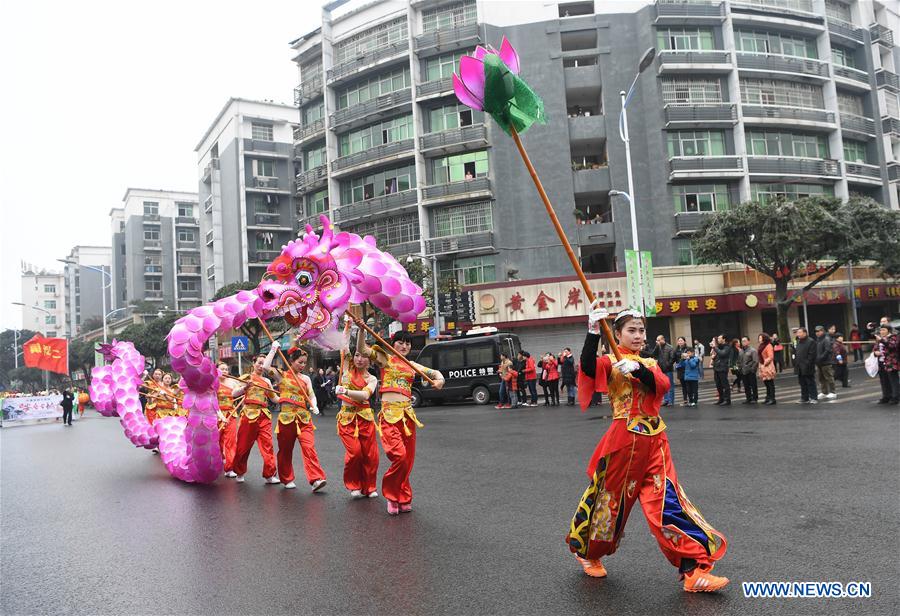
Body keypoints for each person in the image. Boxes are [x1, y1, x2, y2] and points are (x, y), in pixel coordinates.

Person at [567, 304, 729, 592]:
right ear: (616, 334)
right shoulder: (609, 362)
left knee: (668, 502)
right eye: (631, 330)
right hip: (622, 445)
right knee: (609, 505)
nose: (639, 335)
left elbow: (663, 384)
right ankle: (588, 553)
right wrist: (592, 332)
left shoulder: (650, 364)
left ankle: (692, 571)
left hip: (655, 442)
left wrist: (639, 369)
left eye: (641, 330)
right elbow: (589, 369)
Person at [361, 331, 445, 515]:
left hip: (408, 416)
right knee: (398, 456)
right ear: (393, 343)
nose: (405, 346)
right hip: (390, 415)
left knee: (408, 459)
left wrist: (440, 380)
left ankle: (404, 496)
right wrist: (361, 330)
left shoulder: (411, 364)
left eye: (408, 343)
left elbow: (435, 373)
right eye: (401, 342)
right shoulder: (386, 360)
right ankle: (392, 496)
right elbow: (363, 350)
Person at [265, 346, 326, 492]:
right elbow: (267, 367)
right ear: (291, 361)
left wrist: (314, 405)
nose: (303, 365)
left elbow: (311, 395)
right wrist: (273, 349)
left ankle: (316, 478)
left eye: (305, 363)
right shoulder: (282, 376)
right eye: (300, 362)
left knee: (309, 447)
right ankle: (286, 478)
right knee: (285, 450)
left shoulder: (305, 379)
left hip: (304, 418)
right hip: (287, 418)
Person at [335, 334, 380, 499]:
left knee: (370, 455)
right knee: (355, 453)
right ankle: (354, 485)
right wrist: (349, 326)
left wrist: (345, 391)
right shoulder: (346, 368)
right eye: (357, 355)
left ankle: (369, 486)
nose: (360, 359)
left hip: (365, 419)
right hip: (347, 419)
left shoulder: (372, 379)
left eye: (364, 356)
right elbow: (344, 345)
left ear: (371, 360)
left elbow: (364, 396)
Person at [231, 354, 279, 484]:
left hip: (264, 415)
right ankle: (239, 472)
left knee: (268, 445)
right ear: (253, 363)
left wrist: (288, 399)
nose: (261, 366)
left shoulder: (267, 381)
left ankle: (270, 474)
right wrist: (245, 387)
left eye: (263, 363)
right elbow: (233, 394)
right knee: (243, 446)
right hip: (248, 415)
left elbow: (274, 398)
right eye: (259, 362)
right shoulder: (246, 378)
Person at [216, 362, 240, 478]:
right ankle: (220, 460)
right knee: (217, 442)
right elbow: (213, 403)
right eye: (222, 369)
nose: (225, 371)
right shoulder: (212, 384)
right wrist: (221, 417)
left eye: (226, 369)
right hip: (217, 415)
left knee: (231, 442)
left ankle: (229, 468)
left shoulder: (232, 382)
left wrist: (245, 388)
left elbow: (236, 393)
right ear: (216, 371)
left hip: (231, 414)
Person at [873, 325, 899, 405]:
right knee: (884, 381)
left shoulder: (893, 337)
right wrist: (875, 352)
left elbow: (892, 346)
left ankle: (895, 397)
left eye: (884, 330)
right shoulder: (879, 339)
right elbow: (875, 348)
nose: (882, 332)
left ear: (888, 331)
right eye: (881, 330)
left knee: (893, 381)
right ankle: (886, 396)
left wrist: (882, 340)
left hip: (891, 362)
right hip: (881, 362)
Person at [793, 328, 818, 404]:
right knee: (802, 383)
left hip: (808, 366)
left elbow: (812, 355)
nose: (798, 334)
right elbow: (796, 352)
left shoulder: (811, 341)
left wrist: (807, 363)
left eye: (800, 332)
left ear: (805, 333)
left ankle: (813, 397)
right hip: (799, 366)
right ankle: (804, 398)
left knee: (810, 382)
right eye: (797, 333)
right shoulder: (798, 341)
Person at [813, 325, 836, 401]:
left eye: (819, 331)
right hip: (819, 362)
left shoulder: (826, 339)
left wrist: (820, 357)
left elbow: (828, 350)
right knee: (821, 378)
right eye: (816, 331)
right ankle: (824, 392)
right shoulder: (818, 340)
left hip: (826, 362)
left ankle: (833, 392)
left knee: (829, 377)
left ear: (822, 331)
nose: (817, 333)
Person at [652, 335, 676, 407]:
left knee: (670, 385)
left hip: (668, 369)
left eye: (659, 340)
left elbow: (672, 358)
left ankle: (671, 401)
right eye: (657, 340)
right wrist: (656, 346)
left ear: (663, 339)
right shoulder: (658, 347)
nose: (657, 342)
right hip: (661, 369)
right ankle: (666, 400)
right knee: (664, 385)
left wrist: (668, 365)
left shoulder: (670, 347)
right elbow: (653, 354)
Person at [710, 335, 733, 406]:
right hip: (717, 367)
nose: (718, 339)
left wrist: (714, 347)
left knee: (725, 385)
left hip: (723, 368)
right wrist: (713, 357)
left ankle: (727, 400)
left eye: (720, 338)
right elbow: (717, 355)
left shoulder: (727, 347)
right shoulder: (719, 347)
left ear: (724, 339)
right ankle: (721, 399)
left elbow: (722, 354)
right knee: (718, 385)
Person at [738, 336, 759, 404]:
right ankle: (748, 398)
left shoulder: (753, 350)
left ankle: (755, 398)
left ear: (748, 341)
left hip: (750, 371)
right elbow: (739, 361)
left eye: (744, 341)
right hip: (743, 371)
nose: (743, 342)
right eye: (742, 341)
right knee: (746, 385)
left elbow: (755, 361)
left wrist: (752, 369)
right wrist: (739, 368)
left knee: (753, 385)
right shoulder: (741, 351)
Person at [757, 334, 776, 405]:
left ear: (764, 338)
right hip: (762, 366)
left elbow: (770, 356)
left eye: (760, 338)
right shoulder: (761, 346)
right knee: (766, 383)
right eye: (759, 338)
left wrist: (764, 364)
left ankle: (772, 398)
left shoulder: (768, 345)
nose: (759, 339)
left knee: (770, 383)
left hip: (768, 366)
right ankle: (768, 398)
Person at [674, 337, 690, 405]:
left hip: (687, 368)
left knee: (688, 385)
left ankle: (690, 398)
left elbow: (691, 355)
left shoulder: (688, 348)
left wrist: (686, 356)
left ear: (684, 341)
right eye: (679, 341)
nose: (680, 342)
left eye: (681, 341)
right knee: (683, 385)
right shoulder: (676, 350)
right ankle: (685, 400)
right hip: (680, 369)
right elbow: (674, 358)